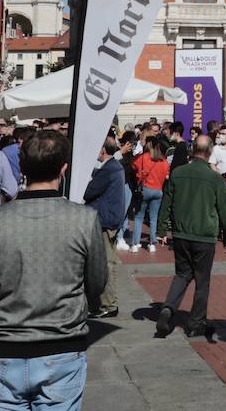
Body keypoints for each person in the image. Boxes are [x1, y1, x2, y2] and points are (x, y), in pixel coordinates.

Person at [0, 130, 106, 411]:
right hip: (61, 346)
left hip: (5, 348)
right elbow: (97, 283)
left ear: (22, 168)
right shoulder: (84, 220)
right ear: (63, 168)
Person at [155, 135, 226, 340]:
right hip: (204, 235)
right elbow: (225, 210)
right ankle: (196, 322)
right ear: (209, 152)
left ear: (191, 150)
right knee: (202, 280)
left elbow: (167, 202)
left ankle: (168, 309)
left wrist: (161, 230)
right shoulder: (215, 178)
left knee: (182, 274)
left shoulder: (179, 173)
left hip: (181, 234)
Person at [82, 137, 126, 319]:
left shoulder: (108, 169)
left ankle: (108, 304)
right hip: (110, 219)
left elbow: (88, 192)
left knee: (105, 264)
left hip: (104, 221)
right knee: (107, 263)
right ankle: (106, 303)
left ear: (102, 151)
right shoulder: (114, 167)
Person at [130, 141, 170, 252]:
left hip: (145, 189)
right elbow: (167, 175)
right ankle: (152, 243)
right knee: (153, 218)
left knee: (139, 217)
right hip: (158, 191)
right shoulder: (164, 161)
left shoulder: (143, 157)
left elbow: (133, 167)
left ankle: (135, 244)